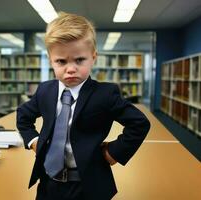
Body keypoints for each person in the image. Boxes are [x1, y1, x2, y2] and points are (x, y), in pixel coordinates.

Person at [16, 12, 150, 200]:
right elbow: (23, 115)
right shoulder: (45, 91)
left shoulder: (105, 94)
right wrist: (33, 142)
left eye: (79, 60)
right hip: (48, 183)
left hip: (86, 186)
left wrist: (114, 152)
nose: (70, 68)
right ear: (50, 59)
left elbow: (139, 123)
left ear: (93, 57)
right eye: (61, 61)